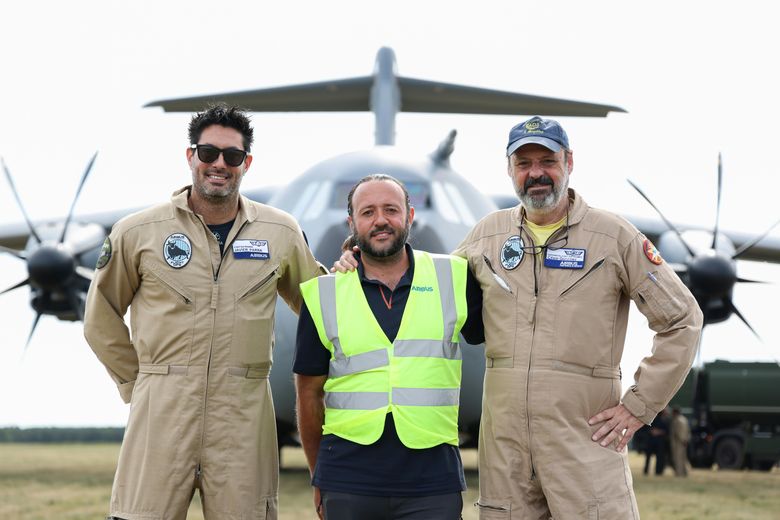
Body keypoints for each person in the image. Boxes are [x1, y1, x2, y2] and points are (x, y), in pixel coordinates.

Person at [334, 116, 703, 519]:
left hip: (583, 443)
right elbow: (422, 282)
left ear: (569, 163)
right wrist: (360, 259)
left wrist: (639, 405)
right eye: (524, 164)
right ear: (510, 170)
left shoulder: (613, 237)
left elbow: (682, 319)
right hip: (506, 453)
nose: (536, 173)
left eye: (547, 161)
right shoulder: (487, 237)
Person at [83, 103, 325, 520]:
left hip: (243, 417)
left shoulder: (279, 232)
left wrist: (355, 275)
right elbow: (100, 316)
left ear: (246, 163)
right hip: (161, 410)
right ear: (190, 155)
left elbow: (321, 305)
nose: (219, 164)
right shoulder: (138, 232)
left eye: (232, 156)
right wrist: (139, 383)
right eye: (208, 152)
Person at [295, 174, 484, 520]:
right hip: (347, 479)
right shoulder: (323, 294)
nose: (380, 220)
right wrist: (317, 474)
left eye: (391, 210)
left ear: (410, 216)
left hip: (433, 481)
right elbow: (308, 394)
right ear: (351, 224)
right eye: (367, 212)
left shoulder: (455, 277)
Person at [643, 408, 670, 476]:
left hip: (660, 442)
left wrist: (659, 432)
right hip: (651, 441)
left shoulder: (665, 420)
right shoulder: (653, 419)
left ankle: (658, 471)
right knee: (648, 457)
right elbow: (646, 428)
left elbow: (667, 431)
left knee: (659, 457)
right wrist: (652, 431)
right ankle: (646, 470)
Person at [670, 407, 691, 476]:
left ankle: (679, 473)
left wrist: (682, 440)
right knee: (684, 458)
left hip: (678, 442)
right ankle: (685, 472)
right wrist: (686, 440)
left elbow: (677, 432)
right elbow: (688, 431)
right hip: (684, 442)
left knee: (678, 458)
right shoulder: (684, 419)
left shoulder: (676, 420)